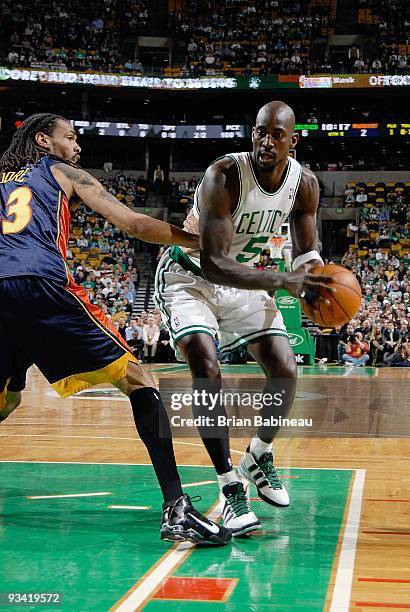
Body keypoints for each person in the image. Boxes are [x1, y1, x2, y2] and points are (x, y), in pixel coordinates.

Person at [0, 113, 230, 547]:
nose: (78, 146)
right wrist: (199, 240)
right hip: (41, 284)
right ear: (44, 140)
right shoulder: (62, 170)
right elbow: (132, 223)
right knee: (139, 379)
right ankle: (176, 509)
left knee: (7, 398)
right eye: (71, 137)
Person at [154, 101, 333, 536]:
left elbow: (307, 251)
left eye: (276, 134)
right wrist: (281, 279)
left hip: (246, 280)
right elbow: (214, 262)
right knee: (205, 363)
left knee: (285, 368)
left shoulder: (304, 184)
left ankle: (259, 453)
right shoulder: (225, 174)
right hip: (191, 276)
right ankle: (229, 486)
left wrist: (316, 281)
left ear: (293, 140)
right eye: (259, 132)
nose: (265, 141)